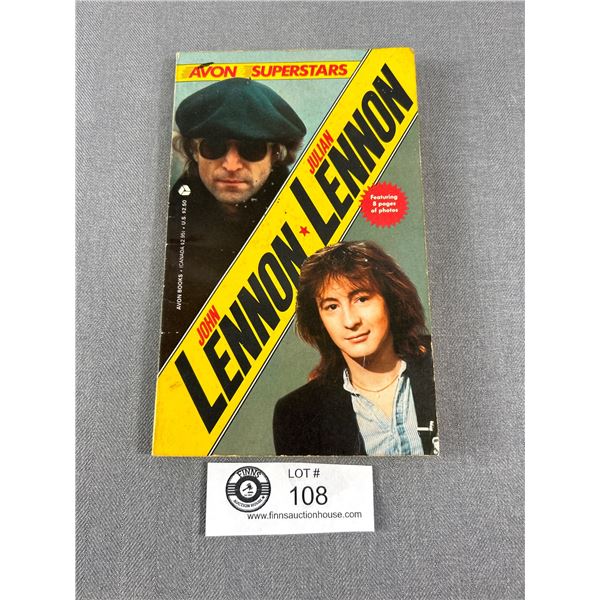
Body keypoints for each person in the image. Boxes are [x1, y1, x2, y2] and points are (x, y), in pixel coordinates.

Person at [159, 78, 306, 365]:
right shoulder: (166, 224)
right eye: (214, 147)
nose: (231, 165)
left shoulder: (308, 223)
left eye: (251, 149)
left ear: (276, 154)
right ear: (193, 151)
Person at [273, 241, 438, 456]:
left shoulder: (447, 364)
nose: (350, 321)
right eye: (332, 306)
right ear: (319, 319)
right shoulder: (297, 414)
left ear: (391, 300)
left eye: (361, 299)